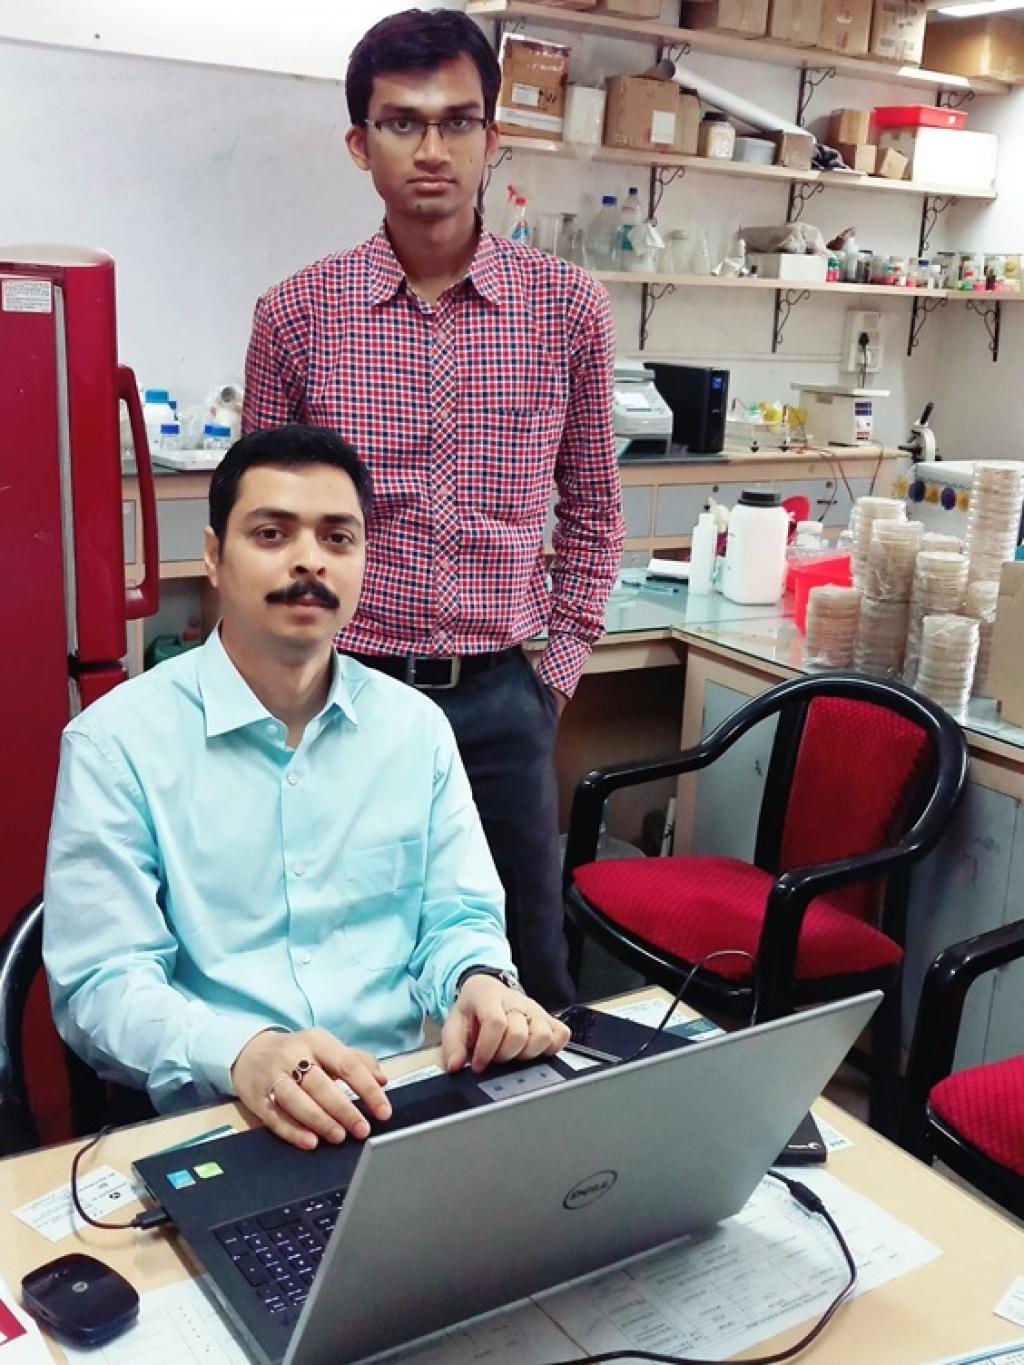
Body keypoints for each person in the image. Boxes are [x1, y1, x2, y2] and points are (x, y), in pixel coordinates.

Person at [242, 9, 624, 1013]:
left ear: (493, 140)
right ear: (360, 145)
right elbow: (261, 534)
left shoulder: (569, 309)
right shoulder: (295, 316)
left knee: (526, 975)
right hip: (343, 694)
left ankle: (533, 1171)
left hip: (503, 700)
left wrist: (552, 676)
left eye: (458, 122)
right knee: (335, 974)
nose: (432, 149)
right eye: (403, 123)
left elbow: (593, 514)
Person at [43, 426, 569, 1151]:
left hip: (405, 1098)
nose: (308, 562)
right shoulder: (118, 744)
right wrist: (242, 1051)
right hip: (230, 1117)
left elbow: (459, 917)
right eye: (271, 532)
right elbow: (103, 983)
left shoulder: (415, 729)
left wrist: (478, 979)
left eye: (338, 538)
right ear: (213, 556)